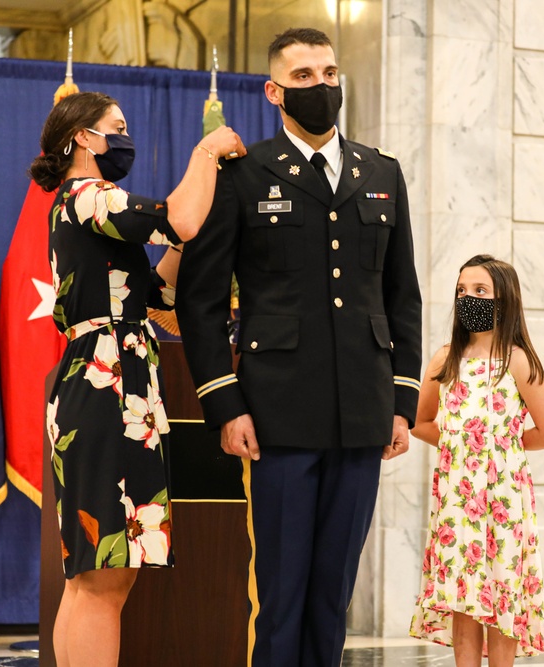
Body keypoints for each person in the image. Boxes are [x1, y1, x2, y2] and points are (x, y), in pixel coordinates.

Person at [175, 27, 422, 667]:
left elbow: (403, 299)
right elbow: (199, 302)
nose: (322, 86)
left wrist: (403, 400)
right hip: (277, 416)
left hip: (363, 413)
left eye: (330, 73)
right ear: (274, 92)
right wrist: (225, 407)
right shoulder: (243, 175)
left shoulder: (382, 174)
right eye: (305, 77)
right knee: (280, 598)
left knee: (332, 595)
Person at [28, 91, 242, 667]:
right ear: (83, 139)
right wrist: (207, 151)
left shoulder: (82, 210)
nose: (124, 138)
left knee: (93, 576)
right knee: (106, 574)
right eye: (114, 128)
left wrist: (184, 241)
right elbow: (179, 215)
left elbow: (159, 297)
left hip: (101, 381)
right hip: (108, 385)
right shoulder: (89, 195)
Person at [408, 254, 544, 665]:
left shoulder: (518, 360)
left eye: (479, 291)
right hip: (458, 499)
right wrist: (463, 443)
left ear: (504, 301)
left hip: (504, 499)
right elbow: (420, 421)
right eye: (461, 290)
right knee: (463, 595)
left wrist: (499, 446)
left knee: (503, 591)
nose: (467, 298)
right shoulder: (444, 359)